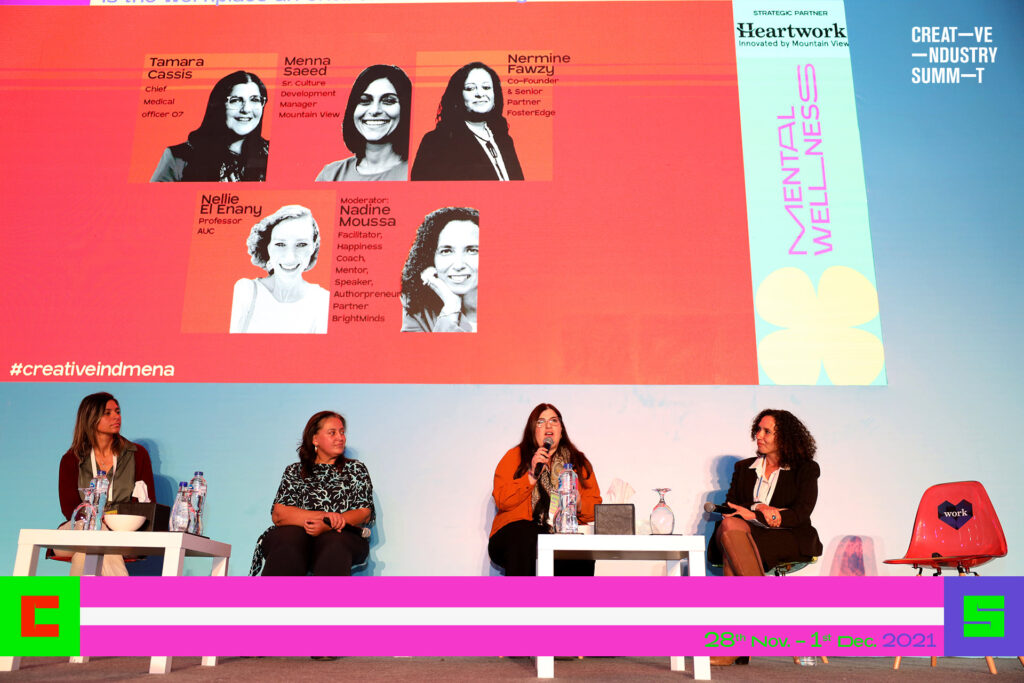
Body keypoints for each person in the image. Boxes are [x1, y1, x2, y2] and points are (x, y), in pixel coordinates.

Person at [708, 408, 822, 665]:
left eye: (766, 431)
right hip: (746, 533)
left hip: (786, 537)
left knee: (732, 549)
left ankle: (733, 644)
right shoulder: (744, 468)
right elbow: (732, 506)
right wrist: (759, 509)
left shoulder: (805, 469)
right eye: (758, 429)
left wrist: (761, 516)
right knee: (730, 527)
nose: (758, 435)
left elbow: (800, 513)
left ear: (785, 437)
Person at [249, 411, 374, 577]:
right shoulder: (295, 471)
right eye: (332, 433)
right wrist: (324, 517)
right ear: (315, 439)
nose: (340, 438)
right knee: (289, 538)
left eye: (342, 432)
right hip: (298, 538)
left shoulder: (356, 469)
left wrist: (329, 525)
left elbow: (364, 512)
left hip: (342, 537)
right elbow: (280, 514)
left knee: (334, 542)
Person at [488, 403, 601, 576]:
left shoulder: (578, 462)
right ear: (533, 430)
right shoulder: (514, 457)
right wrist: (531, 476)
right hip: (516, 536)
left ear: (561, 430)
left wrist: (578, 504)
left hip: (560, 535)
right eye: (541, 422)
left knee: (581, 549)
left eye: (554, 421)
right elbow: (502, 500)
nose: (548, 426)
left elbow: (595, 510)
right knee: (525, 532)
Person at [57, 392, 156, 576]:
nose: (116, 417)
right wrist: (98, 521)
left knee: (88, 550)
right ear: (91, 418)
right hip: (78, 529)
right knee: (96, 533)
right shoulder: (71, 459)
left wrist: (111, 522)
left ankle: (78, 594)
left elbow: (146, 503)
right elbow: (69, 508)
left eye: (117, 411)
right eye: (108, 413)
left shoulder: (136, 454)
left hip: (123, 531)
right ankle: (118, 594)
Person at [410, 62, 524, 181]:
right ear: (458, 96)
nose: (480, 94)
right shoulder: (436, 142)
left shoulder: (505, 140)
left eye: (486, 87)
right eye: (470, 88)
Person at [151, 71, 270, 182]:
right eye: (235, 100)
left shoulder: (273, 155)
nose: (246, 109)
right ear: (218, 105)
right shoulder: (178, 157)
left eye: (255, 100)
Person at [230, 205, 329, 333]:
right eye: (280, 244)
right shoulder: (246, 291)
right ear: (267, 246)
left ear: (313, 247)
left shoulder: (323, 301)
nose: (290, 257)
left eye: (302, 244)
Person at [316, 65, 411, 181]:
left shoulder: (419, 172)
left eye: (388, 101)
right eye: (365, 101)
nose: (375, 110)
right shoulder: (330, 175)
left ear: (405, 108)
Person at [400, 207, 478, 332]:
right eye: (446, 251)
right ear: (431, 258)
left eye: (472, 250)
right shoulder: (418, 311)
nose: (458, 265)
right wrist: (451, 307)